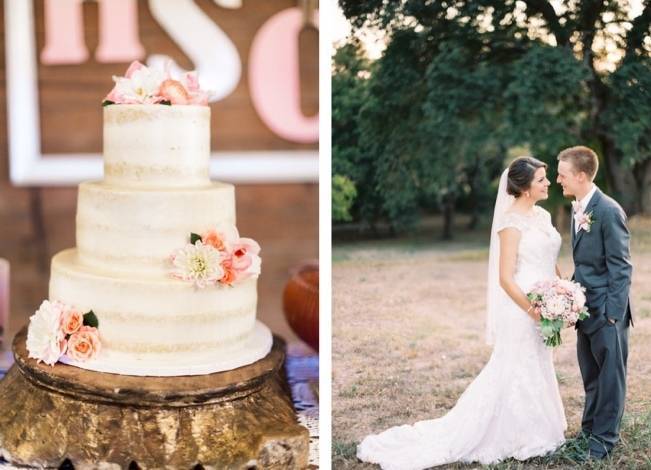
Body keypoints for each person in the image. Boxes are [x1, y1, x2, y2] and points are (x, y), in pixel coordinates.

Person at [357, 156, 567, 469]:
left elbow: (550, 259)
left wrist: (561, 293)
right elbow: (505, 278)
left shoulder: (545, 216)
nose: (548, 183)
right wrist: (533, 309)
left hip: (546, 301)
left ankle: (540, 426)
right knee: (515, 366)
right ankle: (517, 434)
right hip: (522, 305)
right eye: (541, 179)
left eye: (546, 178)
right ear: (524, 188)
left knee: (538, 363)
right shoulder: (510, 224)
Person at [556, 145, 632, 460]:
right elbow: (587, 265)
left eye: (562, 175)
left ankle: (603, 443)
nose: (558, 180)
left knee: (610, 379)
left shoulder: (608, 210)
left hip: (607, 315)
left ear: (582, 175)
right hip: (585, 310)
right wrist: (569, 296)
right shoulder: (579, 208)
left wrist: (613, 316)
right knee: (591, 377)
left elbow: (621, 267)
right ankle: (588, 432)